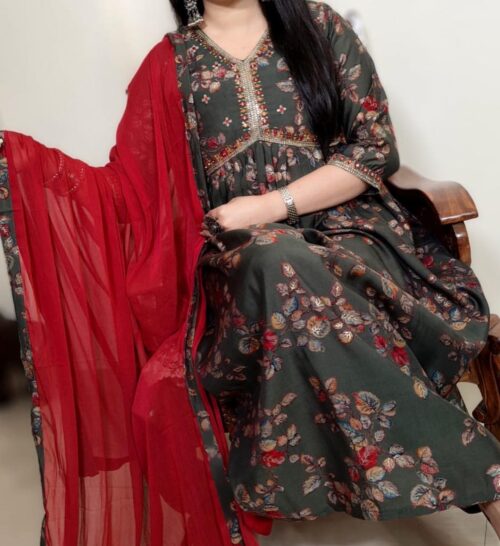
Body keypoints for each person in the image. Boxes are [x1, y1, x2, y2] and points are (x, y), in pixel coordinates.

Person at [0, 1, 499, 544]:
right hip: (242, 265)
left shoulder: (318, 27)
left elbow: (375, 149)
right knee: (274, 259)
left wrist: (269, 206)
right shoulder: (170, 63)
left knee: (284, 261)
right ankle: (489, 481)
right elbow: (127, 192)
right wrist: (21, 163)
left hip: (354, 238)